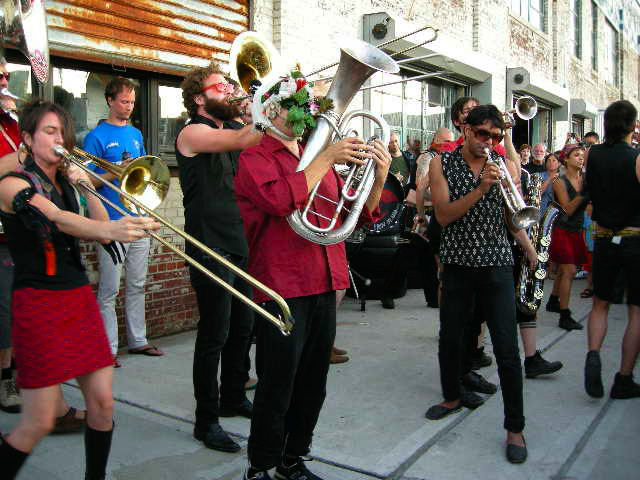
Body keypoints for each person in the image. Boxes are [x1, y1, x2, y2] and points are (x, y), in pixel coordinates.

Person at [234, 71, 390, 480]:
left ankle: (292, 460)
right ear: (270, 111)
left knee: (313, 383)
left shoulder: (319, 155)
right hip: (282, 285)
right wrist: (326, 158)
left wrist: (378, 177)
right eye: (295, 104)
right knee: (277, 384)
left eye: (308, 105)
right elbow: (278, 199)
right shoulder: (255, 158)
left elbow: (355, 216)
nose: (306, 112)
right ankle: (261, 466)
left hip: (324, 281)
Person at [0, 100, 159, 480]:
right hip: (38, 303)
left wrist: (86, 187)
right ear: (27, 138)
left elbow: (100, 225)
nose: (60, 139)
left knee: (103, 404)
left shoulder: (66, 182)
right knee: (38, 421)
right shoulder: (12, 184)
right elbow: (56, 218)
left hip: (76, 297)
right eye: (49, 131)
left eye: (64, 133)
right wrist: (109, 229)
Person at [426, 104, 534, 464]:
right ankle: (452, 396)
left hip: (497, 265)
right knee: (451, 337)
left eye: (496, 136)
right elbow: (443, 215)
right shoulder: (441, 163)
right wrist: (481, 187)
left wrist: (530, 248)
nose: (489, 141)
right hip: (457, 264)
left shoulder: (503, 165)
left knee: (506, 347)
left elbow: (512, 218)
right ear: (466, 130)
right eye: (483, 134)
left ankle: (515, 427)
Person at [176, 62, 261, 453]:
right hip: (209, 244)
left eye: (229, 86)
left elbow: (258, 141)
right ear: (199, 98)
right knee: (215, 334)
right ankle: (206, 420)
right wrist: (263, 105)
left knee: (243, 327)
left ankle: (233, 396)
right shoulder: (192, 132)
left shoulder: (231, 129)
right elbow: (246, 138)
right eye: (221, 87)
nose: (229, 91)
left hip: (237, 239)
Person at [83, 77, 163, 365]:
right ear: (110, 100)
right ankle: (108, 350)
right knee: (109, 290)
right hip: (112, 220)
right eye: (124, 101)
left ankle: (138, 340)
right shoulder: (96, 137)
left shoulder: (136, 134)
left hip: (137, 216)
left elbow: (144, 173)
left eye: (132, 102)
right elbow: (86, 179)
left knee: (137, 284)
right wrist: (116, 170)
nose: (129, 107)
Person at [584, 100, 640, 399]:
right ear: (633, 125)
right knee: (636, 311)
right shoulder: (637, 157)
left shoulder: (593, 154)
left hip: (604, 238)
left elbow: (589, 192)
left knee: (600, 305)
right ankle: (624, 378)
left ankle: (593, 353)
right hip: (634, 240)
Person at [545, 144, 589, 330]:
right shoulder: (559, 181)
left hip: (576, 229)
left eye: (582, 155)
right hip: (562, 229)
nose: (581, 158)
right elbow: (567, 209)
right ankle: (565, 315)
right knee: (569, 270)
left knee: (564, 270)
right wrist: (584, 192)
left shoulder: (584, 179)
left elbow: (589, 207)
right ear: (566, 159)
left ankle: (553, 300)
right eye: (576, 155)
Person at [0, 59, 22, 414]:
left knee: (18, 308)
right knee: (4, 311)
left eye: (5, 74)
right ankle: (6, 379)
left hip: (19, 227)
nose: (4, 80)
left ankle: (15, 373)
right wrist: (26, 153)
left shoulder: (12, 123)